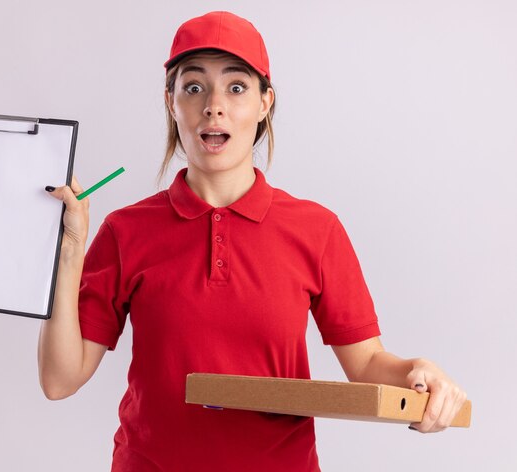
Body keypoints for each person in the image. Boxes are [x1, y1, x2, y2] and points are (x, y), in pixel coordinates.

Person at [37, 11, 467, 471]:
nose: (213, 105)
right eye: (194, 86)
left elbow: (366, 365)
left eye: (236, 87)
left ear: (265, 103)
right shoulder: (126, 230)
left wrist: (419, 373)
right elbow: (59, 380)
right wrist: (70, 248)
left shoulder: (316, 230)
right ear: (170, 101)